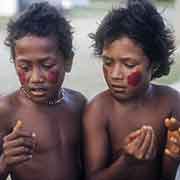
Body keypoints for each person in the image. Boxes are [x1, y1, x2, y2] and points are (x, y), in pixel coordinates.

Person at [83, 0, 180, 180]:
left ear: (154, 64)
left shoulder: (171, 102)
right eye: (108, 62)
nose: (115, 74)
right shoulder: (98, 110)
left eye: (128, 64)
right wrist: (126, 162)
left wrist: (172, 156)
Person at [0, 2, 86, 180]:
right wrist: (5, 162)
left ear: (68, 61)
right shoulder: (6, 110)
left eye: (47, 65)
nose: (35, 78)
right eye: (24, 67)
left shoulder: (78, 104)